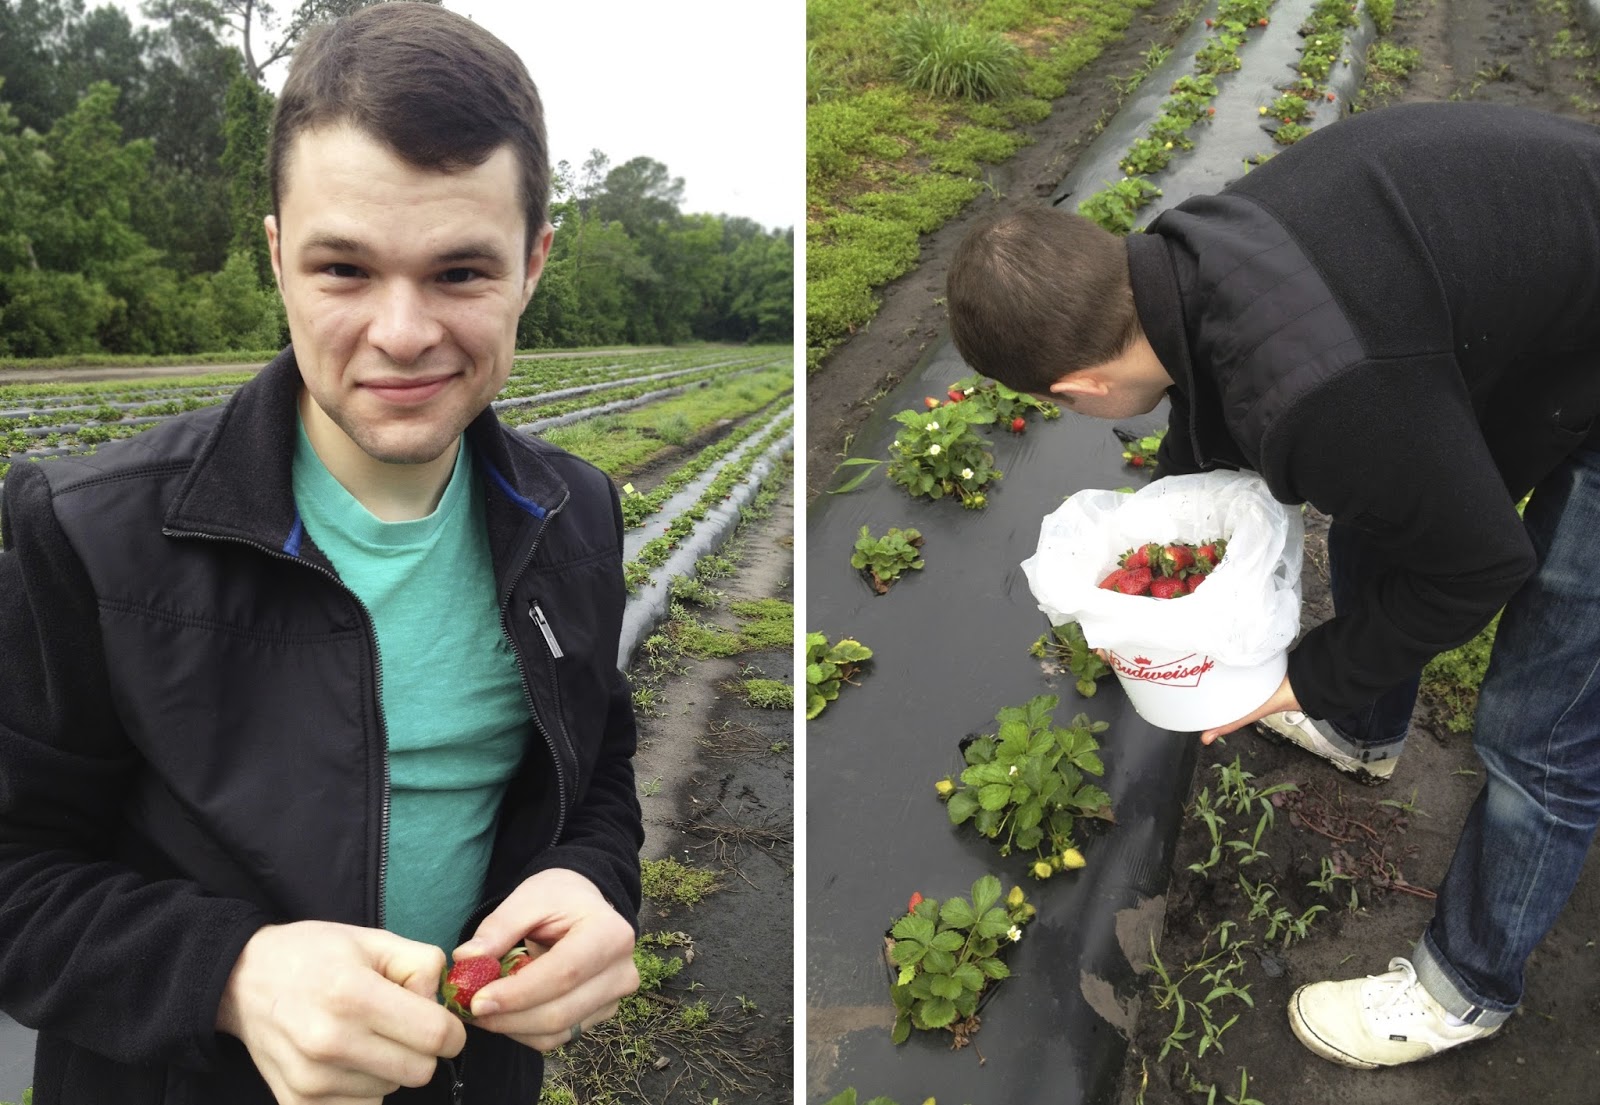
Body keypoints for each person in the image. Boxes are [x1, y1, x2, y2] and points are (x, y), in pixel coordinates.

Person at [0, 5, 643, 1102]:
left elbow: (596, 777)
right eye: (343, 268)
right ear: (276, 257)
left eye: (460, 273)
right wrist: (234, 975)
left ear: (534, 262)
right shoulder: (86, 536)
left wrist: (591, 877)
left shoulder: (572, 515)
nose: (401, 332)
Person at [944, 101, 1600, 1070]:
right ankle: (1363, 730)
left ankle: (1466, 987)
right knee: (1388, 498)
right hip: (1545, 278)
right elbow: (1230, 412)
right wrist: (1151, 559)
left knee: (1539, 727)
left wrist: (1303, 676)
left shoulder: (1324, 387)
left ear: (1076, 389)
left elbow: (1477, 565)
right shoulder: (1190, 254)